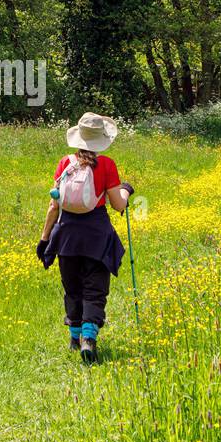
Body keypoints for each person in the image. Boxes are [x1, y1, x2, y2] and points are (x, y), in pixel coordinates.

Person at [36, 112, 134, 364]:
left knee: (72, 288)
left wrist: (45, 239)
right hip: (97, 236)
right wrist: (125, 190)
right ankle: (88, 340)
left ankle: (74, 337)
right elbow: (117, 205)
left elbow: (53, 207)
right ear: (101, 140)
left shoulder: (64, 163)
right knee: (94, 289)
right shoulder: (107, 166)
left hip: (66, 235)